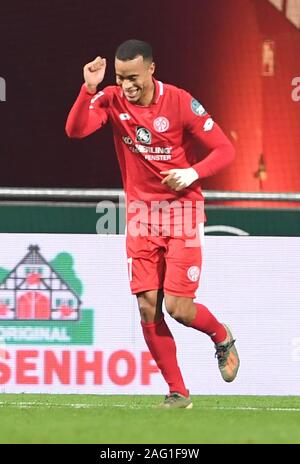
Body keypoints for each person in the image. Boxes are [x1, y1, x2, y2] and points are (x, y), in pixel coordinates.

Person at [66, 39, 240, 409]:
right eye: (120, 77)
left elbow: (225, 150)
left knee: (178, 307)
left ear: (151, 70)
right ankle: (178, 393)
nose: (127, 85)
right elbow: (76, 130)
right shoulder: (112, 100)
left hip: (182, 214)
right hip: (141, 218)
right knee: (148, 306)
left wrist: (191, 173)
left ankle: (222, 335)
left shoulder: (179, 101)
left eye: (133, 77)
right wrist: (89, 89)